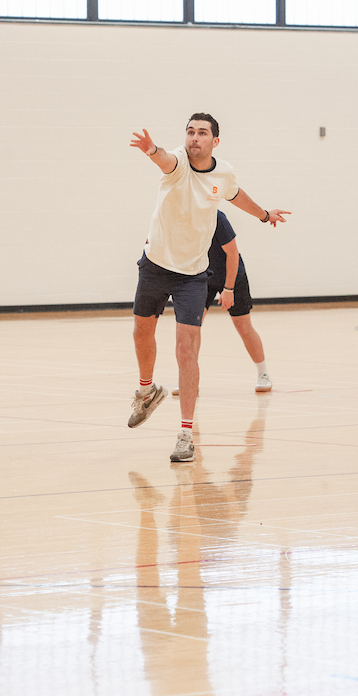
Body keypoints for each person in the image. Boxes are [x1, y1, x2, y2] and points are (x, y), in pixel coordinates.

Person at [127, 113, 288, 463]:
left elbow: (236, 194)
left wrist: (264, 215)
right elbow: (164, 160)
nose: (194, 138)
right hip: (155, 265)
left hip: (192, 276)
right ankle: (146, 390)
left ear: (215, 141)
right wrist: (151, 149)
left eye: (202, 133)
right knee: (141, 332)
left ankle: (185, 434)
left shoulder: (222, 174)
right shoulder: (178, 163)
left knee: (186, 351)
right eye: (190, 132)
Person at [173, 210, 272, 394]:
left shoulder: (217, 217)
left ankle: (263, 373)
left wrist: (228, 289)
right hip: (203, 275)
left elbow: (232, 253)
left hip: (232, 274)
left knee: (243, 325)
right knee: (191, 327)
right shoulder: (183, 217)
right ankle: (188, 379)